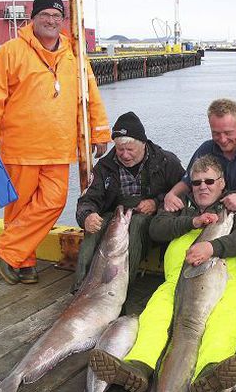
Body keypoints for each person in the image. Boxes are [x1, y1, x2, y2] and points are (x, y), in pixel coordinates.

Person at [89, 154, 236, 392]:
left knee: (229, 315)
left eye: (209, 181)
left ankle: (210, 372)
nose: (203, 187)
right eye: (196, 182)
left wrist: (212, 248)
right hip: (177, 280)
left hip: (228, 278)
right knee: (156, 314)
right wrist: (193, 222)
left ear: (222, 182)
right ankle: (138, 367)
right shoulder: (178, 206)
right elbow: (156, 229)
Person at [0, 0, 110, 285]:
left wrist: (100, 133)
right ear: (33, 18)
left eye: (56, 15)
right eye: (46, 14)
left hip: (60, 148)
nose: (51, 20)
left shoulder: (75, 55)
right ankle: (24, 261)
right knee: (19, 208)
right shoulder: (12, 51)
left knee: (53, 202)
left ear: (63, 21)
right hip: (21, 147)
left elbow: (90, 98)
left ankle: (7, 249)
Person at [72, 111, 185, 293]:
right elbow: (87, 199)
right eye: (120, 150)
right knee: (94, 228)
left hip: (149, 222)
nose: (124, 155)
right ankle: (80, 288)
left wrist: (156, 203)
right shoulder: (104, 167)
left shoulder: (165, 161)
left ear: (143, 145)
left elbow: (184, 190)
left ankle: (121, 287)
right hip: (118, 215)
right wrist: (87, 216)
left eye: (130, 149)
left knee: (137, 223)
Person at [162, 98, 236, 228]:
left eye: (228, 133)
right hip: (214, 219)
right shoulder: (205, 149)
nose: (222, 139)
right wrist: (171, 194)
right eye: (216, 133)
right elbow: (188, 181)